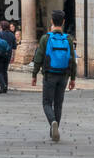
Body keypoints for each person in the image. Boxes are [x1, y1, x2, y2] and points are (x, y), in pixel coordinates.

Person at [31, 10, 76, 142]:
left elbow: (38, 57)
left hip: (50, 74)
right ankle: (55, 129)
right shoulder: (68, 39)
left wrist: (34, 74)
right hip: (64, 75)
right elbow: (73, 60)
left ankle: (52, 123)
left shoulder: (46, 38)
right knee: (58, 104)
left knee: (46, 103)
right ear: (63, 22)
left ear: (51, 21)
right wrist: (73, 78)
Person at [0, 20, 16, 95]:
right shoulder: (12, 35)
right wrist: (13, 57)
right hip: (8, 54)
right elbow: (14, 47)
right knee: (5, 71)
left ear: (1, 27)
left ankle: (3, 86)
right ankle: (5, 87)